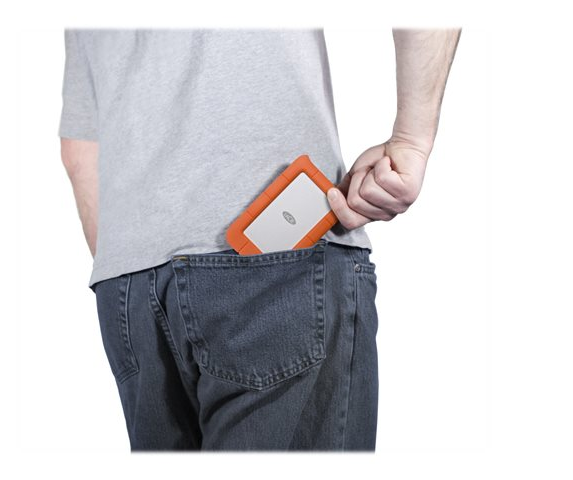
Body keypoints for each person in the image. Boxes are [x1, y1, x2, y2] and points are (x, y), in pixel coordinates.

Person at [58, 28, 460, 451]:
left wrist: (131, 266)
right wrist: (412, 141)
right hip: (276, 254)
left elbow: (78, 152)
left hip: (128, 288)